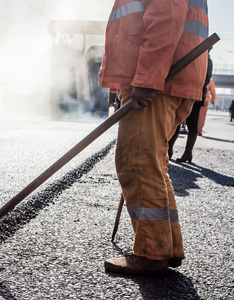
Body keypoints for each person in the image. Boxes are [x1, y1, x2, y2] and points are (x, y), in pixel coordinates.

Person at [99, 0, 209, 274]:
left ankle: (150, 253)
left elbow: (166, 18)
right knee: (152, 163)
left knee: (137, 163)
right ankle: (166, 246)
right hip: (169, 80)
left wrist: (147, 78)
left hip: (158, 83)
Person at [169, 54, 213, 162]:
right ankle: (172, 150)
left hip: (192, 94)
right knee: (179, 122)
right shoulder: (206, 59)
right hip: (191, 93)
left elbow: (205, 79)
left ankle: (181, 152)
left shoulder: (204, 59)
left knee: (181, 122)